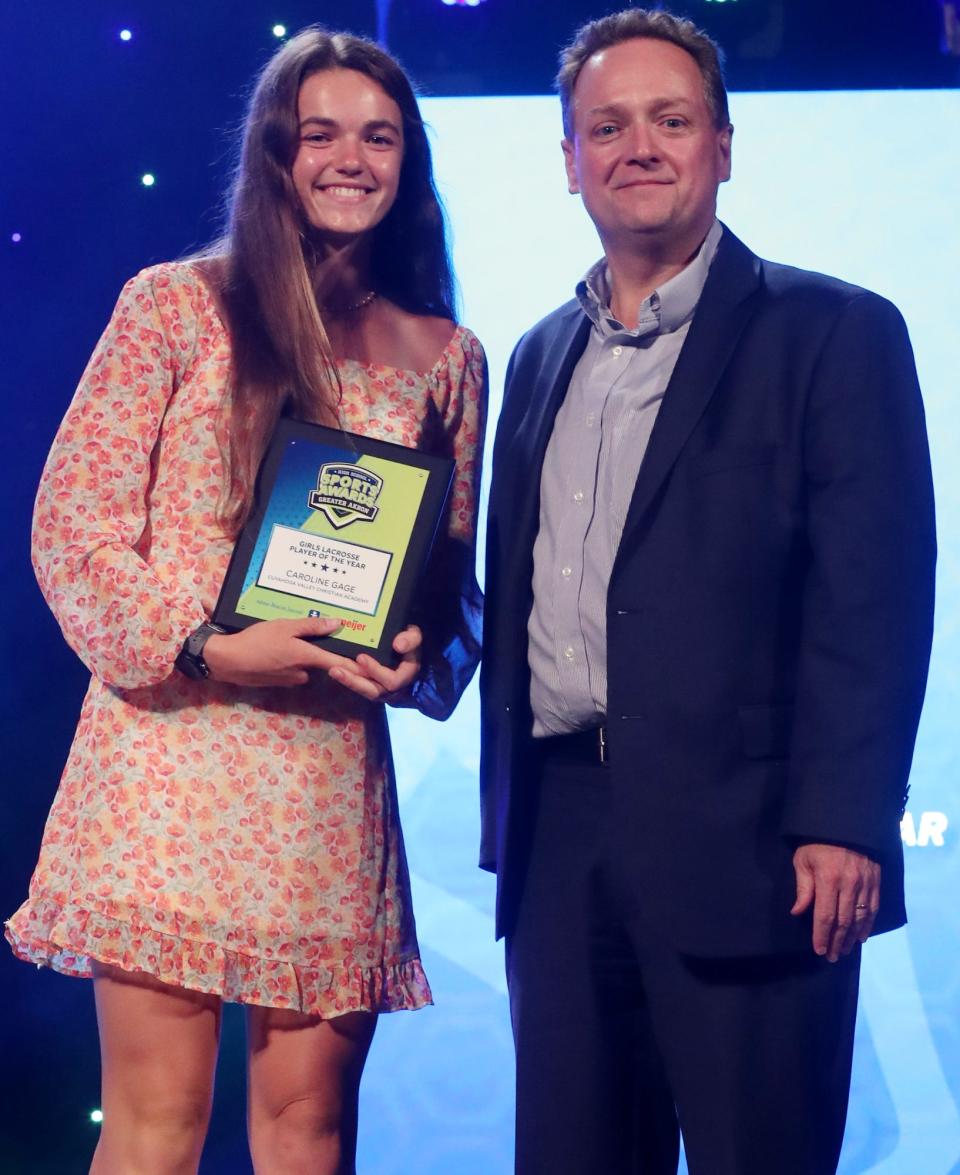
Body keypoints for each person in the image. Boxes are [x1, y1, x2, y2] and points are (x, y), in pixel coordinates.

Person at [6, 26, 485, 1175]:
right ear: (275, 156)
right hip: (168, 755)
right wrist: (212, 646)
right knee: (157, 1127)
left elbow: (443, 574)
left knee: (309, 1134)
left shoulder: (448, 354)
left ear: (409, 162)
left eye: (380, 138)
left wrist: (413, 652)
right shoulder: (175, 307)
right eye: (320, 134)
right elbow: (72, 528)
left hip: (322, 780)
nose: (352, 159)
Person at [479, 9, 935, 1174]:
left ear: (723, 145)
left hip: (760, 845)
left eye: (671, 120)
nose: (640, 146)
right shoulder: (537, 356)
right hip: (560, 837)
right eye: (608, 126)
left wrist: (843, 818)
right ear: (569, 160)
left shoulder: (835, 332)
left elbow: (871, 603)